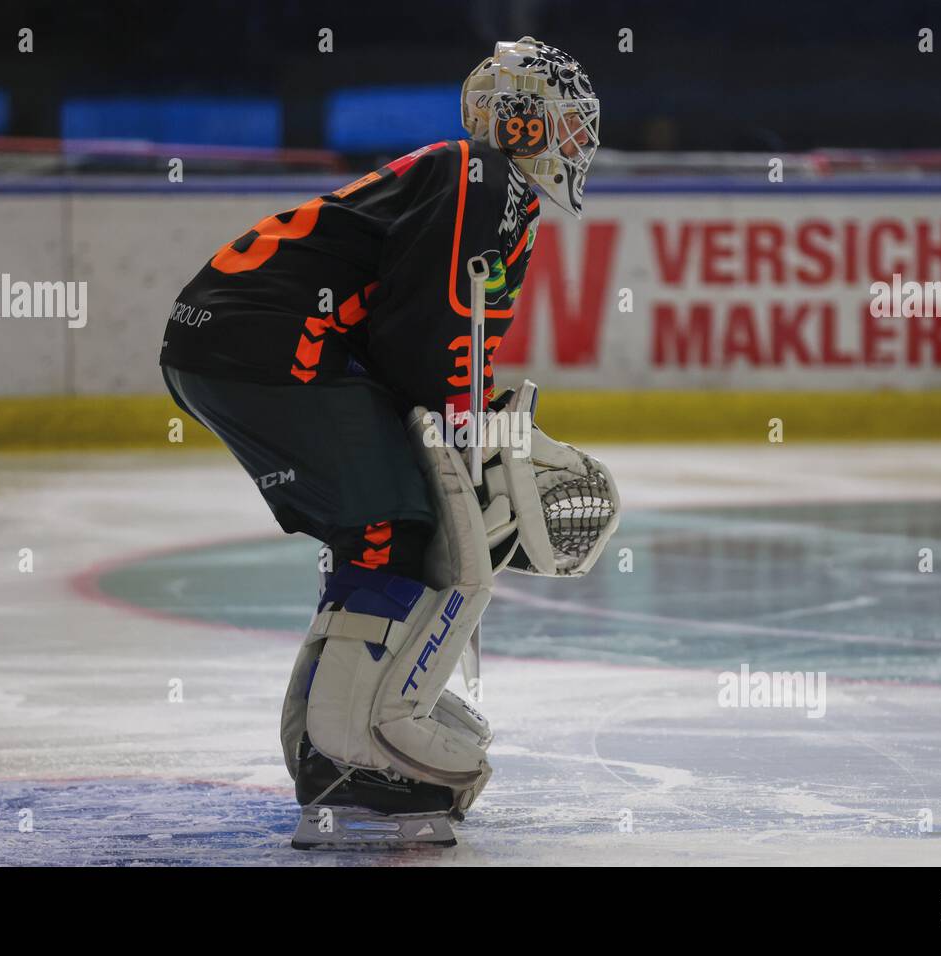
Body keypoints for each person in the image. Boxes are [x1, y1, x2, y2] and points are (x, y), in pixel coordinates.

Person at [158, 37, 616, 847]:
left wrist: (475, 417)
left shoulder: (486, 185)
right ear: (517, 125)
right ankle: (353, 761)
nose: (578, 140)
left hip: (249, 340)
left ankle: (334, 738)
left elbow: (430, 339)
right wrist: (470, 426)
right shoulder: (487, 176)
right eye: (563, 123)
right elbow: (427, 333)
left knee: (382, 523)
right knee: (389, 525)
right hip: (269, 341)